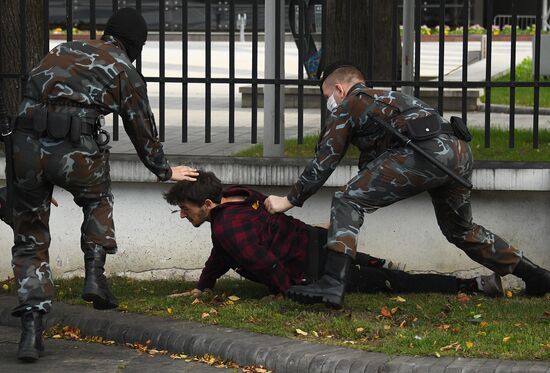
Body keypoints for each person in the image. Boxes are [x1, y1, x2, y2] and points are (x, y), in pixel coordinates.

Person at [264, 62, 550, 308]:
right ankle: (537, 277)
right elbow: (369, 181)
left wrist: (288, 200)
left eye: (327, 96)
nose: (329, 103)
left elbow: (323, 163)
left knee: (346, 198)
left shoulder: (350, 103)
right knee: (461, 230)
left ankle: (331, 284)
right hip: (457, 151)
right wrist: (338, 223)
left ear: (339, 89)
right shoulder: (390, 100)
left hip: (423, 154)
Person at [8, 8, 198, 362]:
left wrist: (34, 172)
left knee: (30, 236)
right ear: (135, 44)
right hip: (77, 149)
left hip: (26, 148)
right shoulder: (124, 69)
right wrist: (164, 170)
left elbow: (27, 98)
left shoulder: (61, 50)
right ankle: (95, 276)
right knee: (97, 200)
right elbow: (141, 128)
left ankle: (31, 331)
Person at [163, 172, 503, 299]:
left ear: (207, 203)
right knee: (382, 273)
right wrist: (203, 286)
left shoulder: (226, 227)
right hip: (313, 239)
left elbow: (264, 262)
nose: (182, 214)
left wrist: (287, 292)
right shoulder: (237, 194)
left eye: (184, 208)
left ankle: (474, 286)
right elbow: (221, 255)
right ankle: (378, 264)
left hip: (313, 265)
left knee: (395, 283)